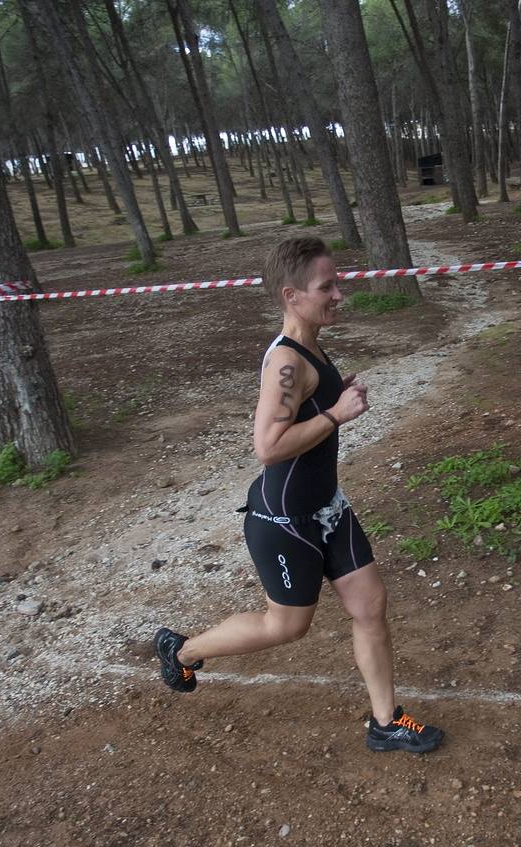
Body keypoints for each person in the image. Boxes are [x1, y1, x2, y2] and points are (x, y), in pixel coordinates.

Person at [153, 237, 443, 754]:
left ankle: (386, 722)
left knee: (370, 607)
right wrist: (337, 414)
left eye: (337, 283)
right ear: (291, 295)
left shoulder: (309, 344)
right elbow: (268, 447)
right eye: (326, 287)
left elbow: (303, 414)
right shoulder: (287, 362)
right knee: (286, 627)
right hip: (286, 520)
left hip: (328, 508)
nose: (340, 295)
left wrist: (331, 399)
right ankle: (182, 651)